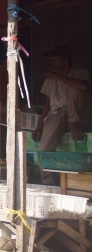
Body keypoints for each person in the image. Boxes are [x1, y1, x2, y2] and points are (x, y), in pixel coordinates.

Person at [32, 46, 90, 181]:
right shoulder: (51, 75)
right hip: (57, 114)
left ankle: (73, 124)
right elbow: (47, 102)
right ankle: (49, 185)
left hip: (79, 115)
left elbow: (84, 86)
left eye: (56, 60)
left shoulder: (79, 72)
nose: (53, 63)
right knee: (43, 151)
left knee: (73, 90)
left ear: (66, 60)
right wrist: (40, 126)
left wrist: (57, 77)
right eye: (51, 60)